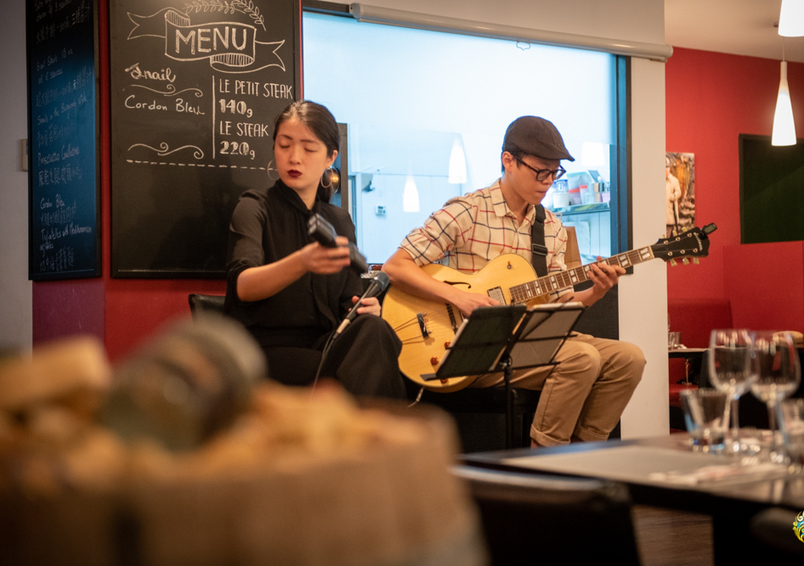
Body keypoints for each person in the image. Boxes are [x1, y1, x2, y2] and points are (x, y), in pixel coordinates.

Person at [382, 116, 645, 446]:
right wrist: (459, 298)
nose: (548, 181)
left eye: (555, 172)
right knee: (581, 358)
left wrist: (596, 291)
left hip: (529, 339)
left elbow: (559, 303)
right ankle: (543, 465)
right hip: (474, 347)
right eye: (540, 171)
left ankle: (584, 453)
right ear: (508, 160)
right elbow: (397, 266)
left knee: (629, 358)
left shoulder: (550, 227)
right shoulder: (468, 212)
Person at [224, 100, 405, 399]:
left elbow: (348, 302)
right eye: (285, 145)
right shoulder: (254, 208)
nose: (295, 158)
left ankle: (358, 437)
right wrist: (302, 262)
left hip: (326, 345)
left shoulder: (339, 220)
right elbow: (242, 285)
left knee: (375, 329)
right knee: (360, 372)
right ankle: (378, 437)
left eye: (308, 149)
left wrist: (364, 308)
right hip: (265, 352)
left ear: (330, 157)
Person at [666, 157, 682, 237]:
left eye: (667, 167)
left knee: (667, 238)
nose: (665, 169)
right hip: (661, 216)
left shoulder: (674, 181)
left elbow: (678, 192)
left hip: (669, 215)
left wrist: (673, 196)